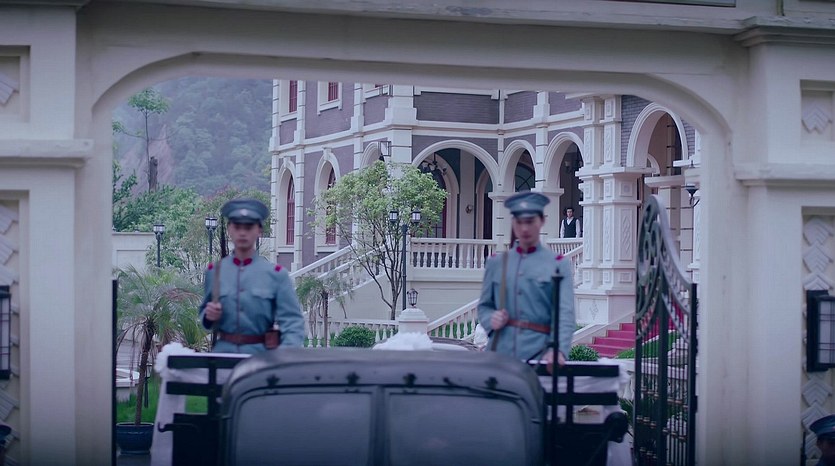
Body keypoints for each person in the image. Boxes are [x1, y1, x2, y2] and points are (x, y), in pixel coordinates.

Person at [477, 191, 576, 370]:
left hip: (539, 356)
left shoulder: (557, 264)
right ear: (513, 223)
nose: (524, 228)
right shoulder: (496, 263)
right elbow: (484, 306)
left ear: (542, 221)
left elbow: (565, 313)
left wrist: (558, 349)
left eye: (530, 221)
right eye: (519, 222)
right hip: (500, 354)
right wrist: (491, 318)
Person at [199, 198, 304, 354]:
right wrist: (209, 316)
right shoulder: (215, 272)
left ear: (259, 230)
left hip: (261, 357)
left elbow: (292, 321)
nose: (242, 233)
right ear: (229, 229)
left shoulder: (275, 275)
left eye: (248, 227)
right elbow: (204, 316)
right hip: (223, 355)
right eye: (237, 227)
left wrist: (285, 354)